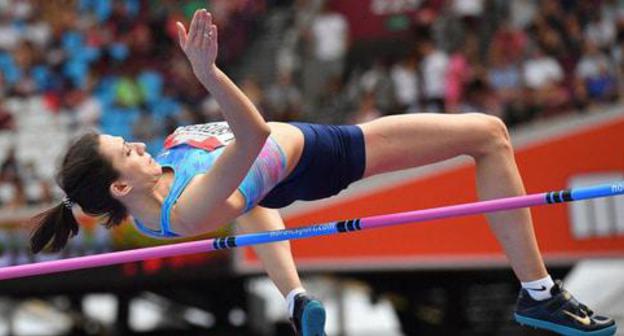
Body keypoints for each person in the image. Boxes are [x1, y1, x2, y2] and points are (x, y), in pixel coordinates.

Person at [30, 9, 616, 336]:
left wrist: (293, 293)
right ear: (119, 188)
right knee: (489, 136)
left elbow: (255, 204)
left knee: (250, 202)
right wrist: (209, 75)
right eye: (124, 151)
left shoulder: (173, 179)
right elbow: (254, 138)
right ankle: (540, 294)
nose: (135, 143)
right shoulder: (182, 209)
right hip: (323, 154)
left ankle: (294, 300)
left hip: (280, 174)